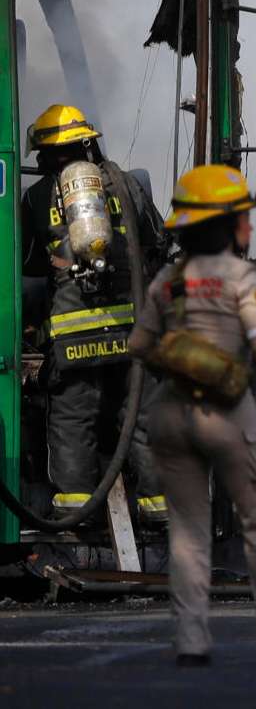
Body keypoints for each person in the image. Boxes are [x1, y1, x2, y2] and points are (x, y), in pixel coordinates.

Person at [129, 164, 256, 666]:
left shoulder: (167, 282)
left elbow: (140, 345)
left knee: (188, 531)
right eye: (241, 215)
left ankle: (192, 643)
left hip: (171, 415)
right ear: (223, 224)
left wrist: (184, 356)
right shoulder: (240, 277)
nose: (249, 225)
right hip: (227, 413)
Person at [23, 103, 169, 526]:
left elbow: (29, 263)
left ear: (50, 155)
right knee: (139, 416)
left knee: (73, 417)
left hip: (73, 332)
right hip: (133, 329)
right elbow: (157, 241)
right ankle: (158, 508)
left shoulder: (36, 196)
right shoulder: (128, 185)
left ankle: (74, 506)